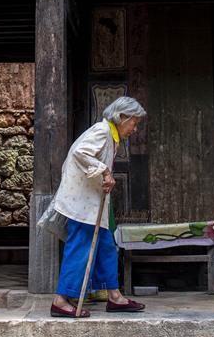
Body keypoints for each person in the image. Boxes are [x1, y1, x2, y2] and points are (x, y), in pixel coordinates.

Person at [49, 96, 147, 318]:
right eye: (134, 122)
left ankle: (114, 296)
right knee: (80, 247)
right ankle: (60, 300)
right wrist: (105, 171)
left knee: (106, 247)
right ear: (122, 117)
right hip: (82, 204)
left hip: (94, 204)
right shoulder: (102, 131)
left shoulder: (111, 136)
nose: (135, 128)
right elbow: (80, 153)